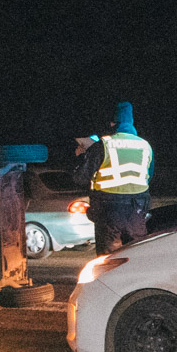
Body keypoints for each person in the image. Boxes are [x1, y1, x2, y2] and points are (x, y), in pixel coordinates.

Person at [73, 101, 154, 255]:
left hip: (108, 211)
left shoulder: (104, 144)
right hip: (137, 211)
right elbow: (148, 177)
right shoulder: (145, 146)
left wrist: (82, 156)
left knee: (108, 261)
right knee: (136, 256)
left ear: (112, 123)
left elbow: (80, 178)